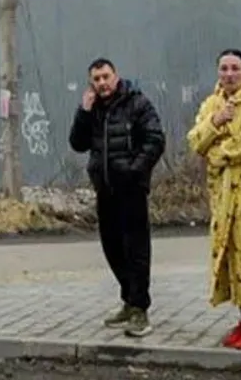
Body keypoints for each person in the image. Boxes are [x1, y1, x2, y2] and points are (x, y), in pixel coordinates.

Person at [186, 49, 241, 351]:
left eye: (235, 68)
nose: (229, 74)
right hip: (224, 195)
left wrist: (217, 154)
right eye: (223, 68)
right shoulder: (213, 103)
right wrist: (215, 122)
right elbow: (195, 139)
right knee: (232, 255)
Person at [68, 57, 166, 337]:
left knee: (136, 250)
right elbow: (77, 143)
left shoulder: (137, 103)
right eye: (96, 79)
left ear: (116, 76)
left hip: (131, 189)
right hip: (105, 188)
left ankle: (140, 310)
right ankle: (128, 300)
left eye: (105, 77)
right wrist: (83, 112)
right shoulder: (94, 109)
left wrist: (136, 170)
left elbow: (155, 139)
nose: (102, 83)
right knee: (112, 247)